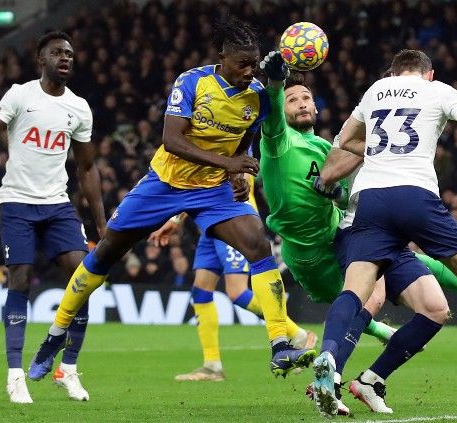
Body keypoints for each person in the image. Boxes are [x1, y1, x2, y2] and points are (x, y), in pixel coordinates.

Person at [28, 17, 314, 382]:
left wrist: (234, 174)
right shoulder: (192, 82)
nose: (249, 70)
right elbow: (173, 140)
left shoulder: (257, 95)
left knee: (257, 244)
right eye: (242, 63)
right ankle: (54, 334)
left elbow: (243, 140)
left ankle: (279, 343)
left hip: (214, 191)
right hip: (165, 182)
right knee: (105, 252)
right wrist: (229, 164)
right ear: (222, 57)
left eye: (254, 63)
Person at [257, 53, 457, 416]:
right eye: (295, 98)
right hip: (394, 204)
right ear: (428, 74)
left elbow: (344, 145)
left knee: (431, 308)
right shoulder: (436, 91)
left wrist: (361, 157)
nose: (303, 103)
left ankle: (366, 379)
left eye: (306, 98)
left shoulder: (372, 95)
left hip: (370, 210)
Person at [0, 31, 106, 404]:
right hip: (17, 202)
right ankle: (15, 375)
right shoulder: (21, 94)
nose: (65, 58)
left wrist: (100, 220)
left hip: (58, 203)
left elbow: (88, 167)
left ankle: (69, 368)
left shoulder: (79, 107)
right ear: (41, 59)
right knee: (19, 280)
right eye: (57, 53)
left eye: (69, 53)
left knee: (83, 277)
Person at [152, 176, 316, 382]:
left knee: (237, 291)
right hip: (209, 224)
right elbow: (201, 184)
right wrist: (177, 218)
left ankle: (297, 334)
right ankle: (212, 365)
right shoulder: (210, 150)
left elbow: (237, 179)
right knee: (201, 292)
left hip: (231, 219)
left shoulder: (234, 146)